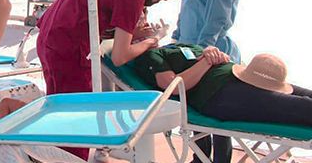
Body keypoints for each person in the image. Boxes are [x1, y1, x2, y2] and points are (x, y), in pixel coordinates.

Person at [36, 0, 184, 160]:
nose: (157, 1)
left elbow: (93, 10)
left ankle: (54, 159)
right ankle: (71, 162)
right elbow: (120, 56)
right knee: (76, 120)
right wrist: (151, 40)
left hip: (50, 37)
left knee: (58, 113)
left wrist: (132, 31)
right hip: (69, 50)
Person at [172, 0, 242, 163]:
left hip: (211, 53)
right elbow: (188, 9)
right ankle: (200, 160)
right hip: (192, 50)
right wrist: (177, 39)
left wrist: (203, 50)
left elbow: (218, 16)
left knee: (217, 112)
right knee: (197, 110)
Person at [133, 43, 312, 131]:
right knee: (302, 107)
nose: (147, 21)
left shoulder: (177, 45)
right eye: (140, 20)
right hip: (218, 94)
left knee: (306, 95)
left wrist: (212, 51)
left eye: (145, 15)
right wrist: (206, 63)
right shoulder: (151, 56)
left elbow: (205, 53)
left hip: (245, 77)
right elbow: (172, 86)